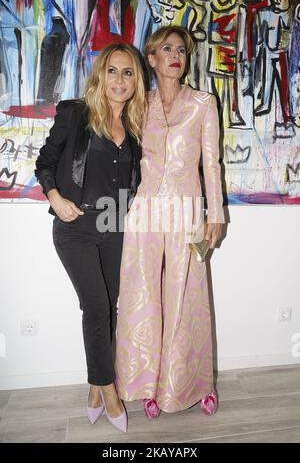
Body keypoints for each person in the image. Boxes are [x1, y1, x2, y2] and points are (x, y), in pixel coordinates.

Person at [35, 43, 146, 433]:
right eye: (113, 71)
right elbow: (45, 161)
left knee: (110, 308)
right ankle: (110, 389)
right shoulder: (75, 113)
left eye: (128, 73)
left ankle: (95, 387)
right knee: (96, 307)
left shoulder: (135, 125)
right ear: (100, 75)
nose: (120, 80)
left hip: (115, 228)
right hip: (76, 228)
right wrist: (55, 197)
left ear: (136, 81)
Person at [115, 26, 225, 418]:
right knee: (144, 297)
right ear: (152, 58)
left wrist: (216, 212)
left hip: (188, 211)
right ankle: (147, 384)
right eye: (167, 48)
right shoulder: (138, 103)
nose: (176, 54)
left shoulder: (203, 103)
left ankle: (195, 384)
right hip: (145, 211)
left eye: (181, 49)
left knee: (187, 296)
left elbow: (210, 163)